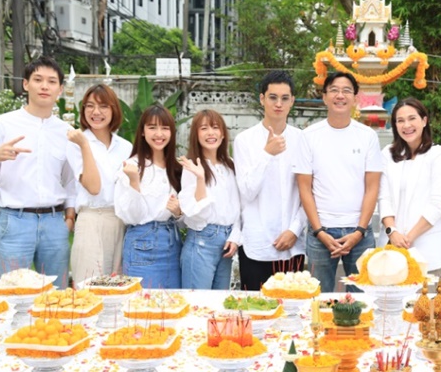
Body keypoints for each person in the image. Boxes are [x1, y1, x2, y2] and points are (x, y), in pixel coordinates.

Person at [0, 57, 86, 287]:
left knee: (56, 296)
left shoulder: (66, 131)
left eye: (51, 81)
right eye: (38, 80)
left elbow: (70, 182)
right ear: (26, 84)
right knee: (12, 293)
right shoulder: (2, 124)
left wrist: (69, 218)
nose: (44, 86)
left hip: (54, 223)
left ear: (60, 89)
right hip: (15, 221)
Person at [294, 72, 382, 292]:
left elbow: (372, 187)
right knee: (318, 297)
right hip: (321, 232)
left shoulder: (367, 136)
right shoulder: (309, 136)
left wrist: (359, 231)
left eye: (346, 91)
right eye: (334, 90)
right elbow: (304, 188)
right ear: (324, 97)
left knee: (362, 297)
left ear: (355, 98)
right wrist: (319, 231)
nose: (340, 95)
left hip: (360, 232)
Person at [234, 70, 307, 290]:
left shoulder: (302, 140)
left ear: (292, 101)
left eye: (285, 98)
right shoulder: (244, 140)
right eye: (273, 97)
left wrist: (295, 230)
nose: (278, 104)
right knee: (254, 306)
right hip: (256, 243)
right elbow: (247, 192)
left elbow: (308, 193)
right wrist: (267, 153)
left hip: (292, 245)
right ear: (262, 99)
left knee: (293, 306)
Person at [66, 84, 132, 282]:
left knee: (117, 286)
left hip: (120, 222)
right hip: (91, 219)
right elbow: (93, 187)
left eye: (103, 106)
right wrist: (84, 145)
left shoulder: (125, 147)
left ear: (114, 110)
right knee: (88, 284)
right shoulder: (75, 143)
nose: (96, 112)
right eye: (90, 106)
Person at [114, 105, 183, 289]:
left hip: (173, 243)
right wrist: (134, 181)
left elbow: (184, 218)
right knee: (143, 302)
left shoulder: (176, 168)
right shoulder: (131, 166)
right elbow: (131, 217)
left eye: (165, 128)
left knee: (173, 301)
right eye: (152, 127)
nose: (159, 134)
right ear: (143, 131)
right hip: (142, 243)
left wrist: (178, 213)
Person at [378, 98, 441, 273]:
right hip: (391, 249)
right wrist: (392, 232)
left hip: (427, 249)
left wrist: (408, 238)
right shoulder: (387, 154)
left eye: (412, 118)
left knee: (425, 292)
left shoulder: (437, 154)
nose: (406, 125)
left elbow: (438, 203)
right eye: (400, 120)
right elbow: (383, 197)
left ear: (424, 121)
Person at [178, 110, 241, 290]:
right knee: (198, 301)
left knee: (219, 302)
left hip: (227, 244)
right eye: (204, 128)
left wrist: (235, 237)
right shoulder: (191, 167)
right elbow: (196, 215)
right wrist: (200, 178)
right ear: (196, 135)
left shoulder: (231, 165)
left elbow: (239, 205)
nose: (210, 133)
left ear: (223, 134)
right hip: (201, 242)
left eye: (215, 127)